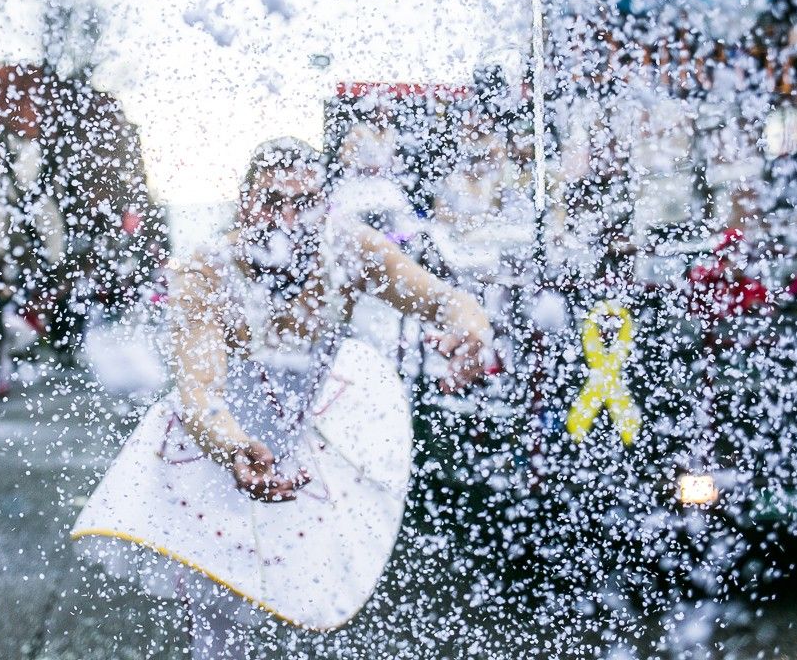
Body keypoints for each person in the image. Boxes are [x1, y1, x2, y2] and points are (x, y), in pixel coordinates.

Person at [73, 139, 497, 658]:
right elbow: (199, 391)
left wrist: (472, 328)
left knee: (313, 602)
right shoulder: (206, 272)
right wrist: (232, 449)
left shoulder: (347, 249)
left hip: (310, 445)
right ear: (246, 200)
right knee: (218, 621)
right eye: (274, 201)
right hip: (216, 446)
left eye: (307, 202)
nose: (291, 218)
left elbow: (440, 299)